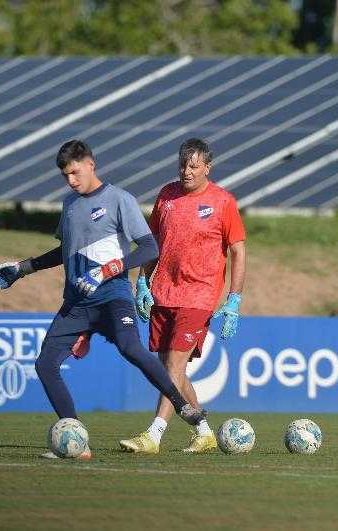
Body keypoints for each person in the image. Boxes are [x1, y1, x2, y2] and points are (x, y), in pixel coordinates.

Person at [0, 139, 207, 459]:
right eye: (65, 176)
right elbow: (64, 252)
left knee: (130, 347)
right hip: (77, 303)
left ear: (91, 164)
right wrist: (23, 268)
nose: (71, 180)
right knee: (45, 365)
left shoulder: (119, 199)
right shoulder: (70, 205)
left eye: (75, 173)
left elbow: (149, 248)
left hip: (113, 296)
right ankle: (77, 442)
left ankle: (182, 405)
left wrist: (108, 271)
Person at [119, 138, 246, 454]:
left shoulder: (222, 202)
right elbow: (153, 244)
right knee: (171, 369)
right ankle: (203, 432)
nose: (186, 171)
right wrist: (142, 283)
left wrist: (234, 299)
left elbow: (238, 251)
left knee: (172, 368)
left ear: (207, 167)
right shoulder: (166, 196)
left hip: (199, 296)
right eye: (182, 165)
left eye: (193, 166)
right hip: (163, 293)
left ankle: (154, 435)